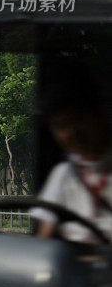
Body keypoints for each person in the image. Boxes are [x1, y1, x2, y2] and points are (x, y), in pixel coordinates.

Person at [32, 74, 112, 243]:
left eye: (78, 120)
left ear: (100, 115)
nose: (71, 133)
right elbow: (44, 236)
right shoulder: (64, 174)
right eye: (61, 126)